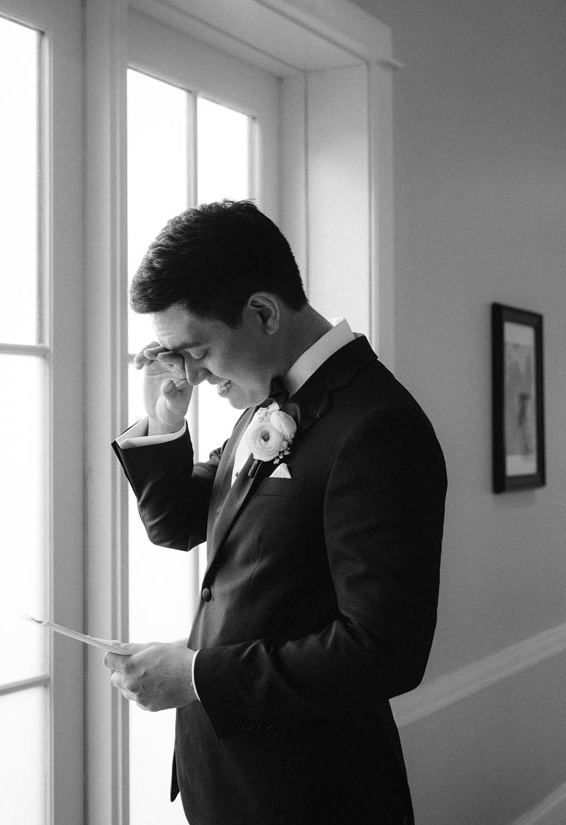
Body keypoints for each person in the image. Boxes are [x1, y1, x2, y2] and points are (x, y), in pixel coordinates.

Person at [106, 200, 447, 825]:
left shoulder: (377, 426)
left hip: (313, 796)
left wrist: (199, 677)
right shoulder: (264, 405)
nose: (192, 372)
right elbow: (181, 523)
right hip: (228, 784)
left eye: (197, 351)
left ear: (262, 312)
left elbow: (383, 650)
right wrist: (163, 420)